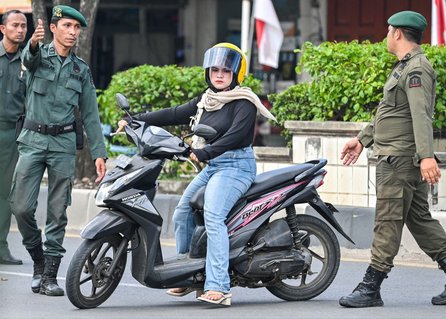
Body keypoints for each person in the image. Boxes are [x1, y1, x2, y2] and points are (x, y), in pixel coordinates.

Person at [338, 11, 446, 308]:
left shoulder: (416, 69)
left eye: (388, 30)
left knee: (387, 221)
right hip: (398, 157)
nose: (386, 35)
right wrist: (362, 140)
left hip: (399, 160)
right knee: (419, 219)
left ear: (398, 33)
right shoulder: (404, 68)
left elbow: (420, 116)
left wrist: (426, 156)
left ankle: (370, 287)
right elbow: (390, 113)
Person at [117, 42, 276, 306]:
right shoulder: (207, 100)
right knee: (182, 212)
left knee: (214, 217)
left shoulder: (244, 102)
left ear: (236, 74)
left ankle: (218, 285)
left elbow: (236, 137)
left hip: (236, 167)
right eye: (215, 69)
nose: (219, 75)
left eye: (226, 70)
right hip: (214, 166)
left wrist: (203, 153)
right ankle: (188, 276)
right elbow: (175, 113)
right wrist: (136, 119)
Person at [9, 5, 107, 297]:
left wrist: (99, 154)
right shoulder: (38, 57)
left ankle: (49, 275)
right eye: (67, 26)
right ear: (53, 28)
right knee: (21, 206)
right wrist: (34, 43)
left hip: (64, 145)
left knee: (57, 211)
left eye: (76, 28)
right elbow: (28, 58)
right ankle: (38, 259)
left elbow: (90, 114)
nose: (73, 32)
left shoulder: (80, 69)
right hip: (33, 140)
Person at [0, 10, 27, 265]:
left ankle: (0, 247)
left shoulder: (28, 62)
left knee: (5, 192)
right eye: (15, 25)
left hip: (12, 133)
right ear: (3, 29)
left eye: (23, 26)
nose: (20, 30)